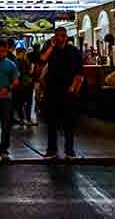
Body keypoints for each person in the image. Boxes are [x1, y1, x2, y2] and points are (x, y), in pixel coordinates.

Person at [38, 27, 84, 159]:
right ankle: (51, 150)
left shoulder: (74, 51)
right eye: (57, 36)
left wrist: (73, 87)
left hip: (68, 91)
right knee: (51, 122)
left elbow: (79, 72)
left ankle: (69, 150)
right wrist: (51, 46)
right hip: (52, 90)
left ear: (66, 37)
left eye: (63, 36)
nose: (60, 38)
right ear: (54, 37)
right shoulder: (50, 50)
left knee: (68, 123)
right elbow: (42, 59)